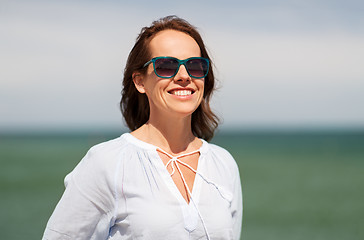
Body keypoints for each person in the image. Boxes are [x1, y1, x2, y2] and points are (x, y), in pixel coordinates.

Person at [43, 16, 242, 240]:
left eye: (195, 66)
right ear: (139, 81)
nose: (184, 76)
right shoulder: (106, 163)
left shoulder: (224, 164)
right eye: (166, 66)